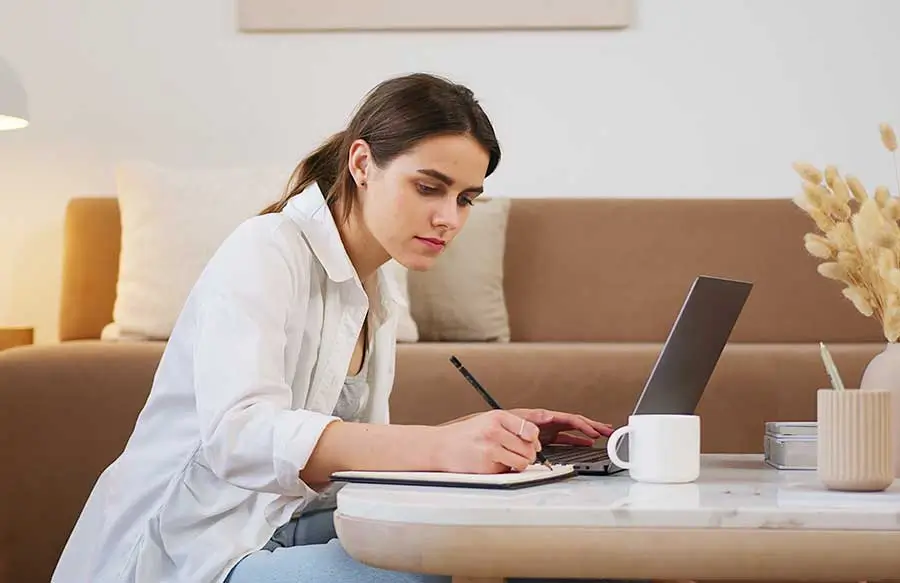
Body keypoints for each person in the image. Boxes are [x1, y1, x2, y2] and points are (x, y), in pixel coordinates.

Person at [51, 72, 615, 583]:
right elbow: (239, 437)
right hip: (200, 547)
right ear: (363, 164)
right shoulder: (266, 248)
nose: (450, 218)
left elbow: (356, 454)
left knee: (541, 553)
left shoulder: (380, 284)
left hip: (292, 521)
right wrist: (438, 446)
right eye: (429, 187)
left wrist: (477, 436)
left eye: (466, 199)